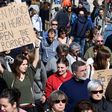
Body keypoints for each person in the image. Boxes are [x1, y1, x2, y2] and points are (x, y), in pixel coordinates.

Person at [0, 47, 39, 112]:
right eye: (23, 64)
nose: (26, 66)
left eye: (26, 64)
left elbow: (36, 60)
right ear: (17, 65)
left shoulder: (29, 73)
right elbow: (0, 68)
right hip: (18, 109)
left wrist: (37, 47)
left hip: (31, 107)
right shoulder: (11, 76)